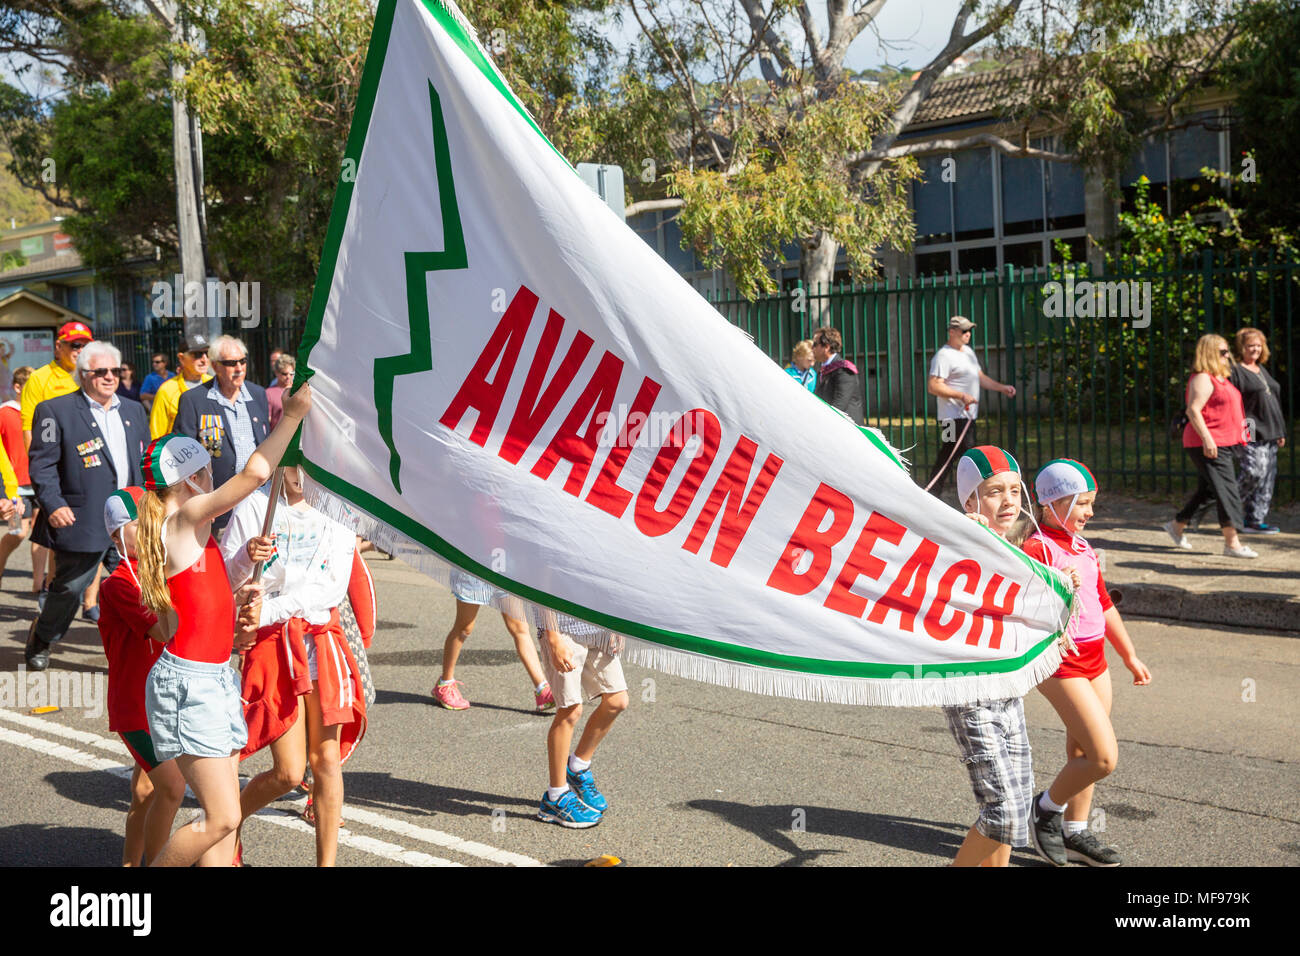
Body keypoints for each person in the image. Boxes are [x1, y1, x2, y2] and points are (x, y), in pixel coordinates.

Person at [135, 382, 312, 868]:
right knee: (222, 818)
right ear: (191, 479)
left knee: (220, 816)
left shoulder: (185, 529)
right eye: (207, 469)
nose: (215, 476)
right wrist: (292, 416)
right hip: (193, 682)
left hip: (209, 675)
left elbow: (185, 620)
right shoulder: (187, 515)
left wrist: (235, 606)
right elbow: (256, 472)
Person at [221, 465, 366, 867]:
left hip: (319, 641)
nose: (302, 473)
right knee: (288, 772)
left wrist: (269, 609)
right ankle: (225, 825)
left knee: (326, 761)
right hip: (272, 645)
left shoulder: (339, 509)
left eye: (311, 462)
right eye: (295, 463)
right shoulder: (256, 505)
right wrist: (245, 555)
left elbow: (333, 586)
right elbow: (229, 578)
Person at [1024, 459, 1151, 867]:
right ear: (1051, 503)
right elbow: (1026, 601)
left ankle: (1075, 832)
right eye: (1082, 503)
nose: (1090, 512)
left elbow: (1104, 603)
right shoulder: (1037, 548)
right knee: (1102, 757)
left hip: (1096, 660)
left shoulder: (1083, 548)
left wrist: (1128, 654)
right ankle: (1045, 809)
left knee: (1081, 751)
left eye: (1091, 503)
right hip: (1061, 661)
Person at [942, 446, 1052, 867]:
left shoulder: (1016, 548)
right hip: (970, 690)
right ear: (970, 501)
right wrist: (964, 534)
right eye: (993, 492)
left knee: (1017, 810)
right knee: (1002, 812)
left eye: (1014, 489)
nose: (1008, 500)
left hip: (1008, 689)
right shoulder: (961, 539)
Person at [25, 342, 150, 670]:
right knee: (70, 589)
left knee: (142, 584)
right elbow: (42, 464)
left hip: (130, 517)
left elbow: (142, 461)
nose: (110, 378)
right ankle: (43, 636)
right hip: (82, 519)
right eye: (101, 372)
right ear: (83, 375)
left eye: (115, 371)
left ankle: (146, 645)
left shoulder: (134, 410)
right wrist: (52, 504)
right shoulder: (55, 411)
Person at [97, 487, 187, 866]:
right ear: (119, 535)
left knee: (147, 792)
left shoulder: (158, 571)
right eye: (141, 525)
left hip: (163, 699)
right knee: (171, 787)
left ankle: (131, 864)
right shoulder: (118, 583)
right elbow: (165, 630)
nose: (153, 532)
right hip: (136, 707)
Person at [1162, 334, 1255, 558]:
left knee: (1209, 492)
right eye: (1223, 352)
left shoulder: (1220, 378)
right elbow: (1193, 410)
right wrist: (1208, 439)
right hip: (1208, 443)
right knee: (1226, 490)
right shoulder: (1202, 378)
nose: (1228, 356)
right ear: (1209, 353)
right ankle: (1232, 544)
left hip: (1223, 441)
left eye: (1227, 351)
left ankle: (1177, 525)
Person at [535, 614, 628, 828]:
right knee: (570, 710)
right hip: (562, 629)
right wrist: (553, 637)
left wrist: (615, 624)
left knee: (617, 700)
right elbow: (543, 583)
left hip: (597, 627)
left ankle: (577, 767)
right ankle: (555, 796)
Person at [174, 335, 271, 532]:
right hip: (217, 506)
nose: (239, 368)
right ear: (215, 366)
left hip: (259, 503)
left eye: (242, 361)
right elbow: (182, 456)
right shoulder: (194, 400)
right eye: (230, 363)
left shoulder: (258, 394)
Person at [434, 571, 555, 712]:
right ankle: (445, 684)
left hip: (504, 570)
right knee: (464, 628)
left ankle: (542, 689)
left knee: (520, 628)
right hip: (474, 570)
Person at [924, 316, 1016, 500]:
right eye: (964, 331)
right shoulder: (943, 356)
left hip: (967, 417)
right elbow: (933, 386)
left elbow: (979, 377)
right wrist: (961, 395)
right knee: (964, 454)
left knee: (951, 454)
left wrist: (1002, 388)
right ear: (952, 332)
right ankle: (972, 493)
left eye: (970, 331)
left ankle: (934, 493)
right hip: (951, 418)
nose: (968, 334)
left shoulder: (968, 352)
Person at [1229, 327, 1286, 534]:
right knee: (1254, 471)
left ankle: (1254, 519)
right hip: (1250, 428)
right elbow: (1232, 402)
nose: (1255, 349)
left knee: (1267, 477)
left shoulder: (1261, 369)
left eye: (1259, 345)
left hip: (1271, 429)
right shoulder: (1236, 370)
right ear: (1241, 348)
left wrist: (1280, 431)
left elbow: (1273, 400)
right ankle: (1230, 508)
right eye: (1250, 345)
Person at [21, 321, 92, 447]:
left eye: (86, 346)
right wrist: (38, 464)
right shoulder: (39, 378)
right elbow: (28, 427)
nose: (81, 351)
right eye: (75, 345)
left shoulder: (94, 376)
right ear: (59, 346)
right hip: (55, 452)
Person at [0, 367, 34, 585]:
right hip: (15, 486)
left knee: (43, 539)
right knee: (18, 532)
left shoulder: (40, 412)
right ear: (17, 387)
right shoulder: (4, 413)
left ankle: (39, 585)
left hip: (40, 483)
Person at [149, 337, 213, 438]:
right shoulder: (167, 390)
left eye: (207, 353)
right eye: (197, 354)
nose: (204, 359)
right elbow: (157, 435)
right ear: (181, 358)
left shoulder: (214, 384)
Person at [811, 327, 864, 422]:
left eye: (815, 344)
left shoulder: (844, 370)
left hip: (847, 428)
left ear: (826, 347)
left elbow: (839, 404)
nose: (812, 348)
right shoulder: (823, 369)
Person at [266, 353, 295, 428]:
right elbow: (266, 421)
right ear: (276, 373)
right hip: (278, 437)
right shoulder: (269, 393)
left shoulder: (299, 390)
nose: (288, 377)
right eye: (284, 374)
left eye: (291, 374)